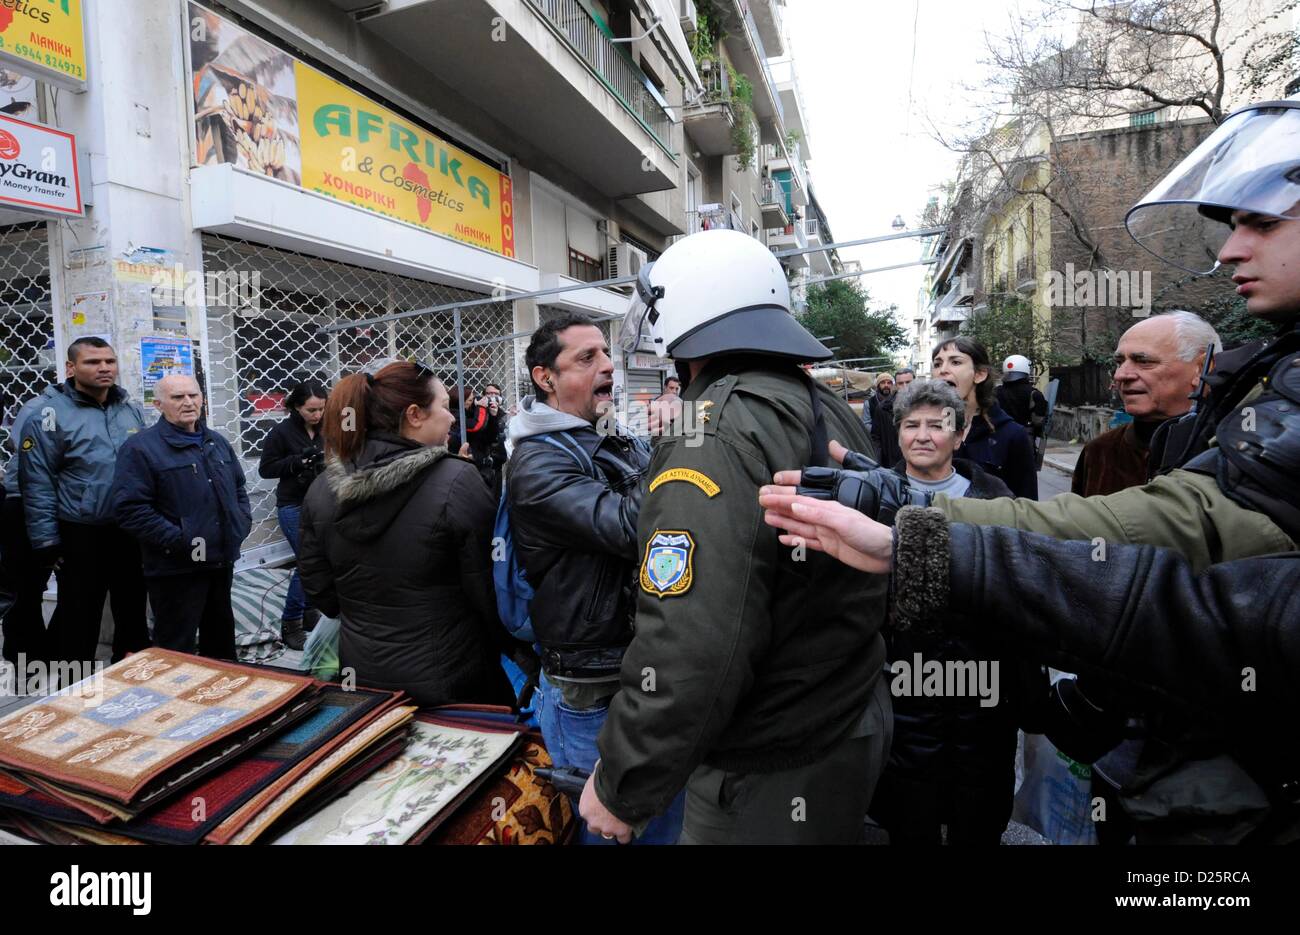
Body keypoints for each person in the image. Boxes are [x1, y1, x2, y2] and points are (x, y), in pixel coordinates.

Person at [760, 96, 1300, 843]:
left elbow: (1137, 554)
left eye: (1261, 223)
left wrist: (918, 534)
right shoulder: (1202, 420)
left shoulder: (1007, 457)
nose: (1230, 250)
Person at [578, 229, 891, 845]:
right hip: (840, 712)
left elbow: (693, 641)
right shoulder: (822, 404)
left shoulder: (713, 430)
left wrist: (623, 783)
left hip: (772, 755)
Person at [504, 313, 677, 845]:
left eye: (606, 354)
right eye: (586, 358)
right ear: (545, 378)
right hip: (591, 690)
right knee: (616, 832)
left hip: (639, 668)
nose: (607, 367)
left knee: (661, 824)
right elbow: (634, 526)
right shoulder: (536, 463)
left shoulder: (612, 438)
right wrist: (673, 445)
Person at [866, 379, 1041, 845]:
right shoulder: (873, 500)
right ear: (898, 433)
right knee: (909, 816)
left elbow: (1022, 583)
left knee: (979, 813)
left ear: (960, 436)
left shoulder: (995, 497)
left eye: (937, 425)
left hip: (984, 685)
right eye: (910, 425)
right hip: (902, 683)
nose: (922, 435)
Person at [297, 362, 511, 708]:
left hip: (363, 682)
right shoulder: (457, 481)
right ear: (414, 414)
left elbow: (322, 594)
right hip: (454, 680)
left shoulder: (322, 488)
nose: (453, 418)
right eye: (444, 406)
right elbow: (490, 592)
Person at [18, 338, 148, 667]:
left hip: (129, 527)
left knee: (132, 608)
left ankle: (130, 673)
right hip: (80, 530)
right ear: (71, 368)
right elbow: (37, 481)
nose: (104, 368)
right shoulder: (48, 415)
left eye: (109, 361)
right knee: (80, 614)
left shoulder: (129, 408)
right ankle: (73, 690)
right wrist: (46, 540)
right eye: (92, 362)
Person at [112, 375, 251, 660]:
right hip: (175, 568)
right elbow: (131, 510)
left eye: (194, 395)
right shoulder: (140, 448)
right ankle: (174, 701)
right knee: (175, 648)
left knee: (221, 641)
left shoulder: (217, 442)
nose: (188, 402)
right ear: (158, 404)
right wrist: (183, 540)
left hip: (220, 559)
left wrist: (240, 523)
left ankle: (224, 695)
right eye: (177, 397)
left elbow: (238, 488)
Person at [1072, 312, 1220, 497]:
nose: (1120, 375)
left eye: (1143, 361)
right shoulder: (1099, 452)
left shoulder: (1233, 451)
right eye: (1119, 362)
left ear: (1201, 368)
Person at [257, 379, 328, 651]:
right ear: (297, 407)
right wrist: (298, 461)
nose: (317, 415)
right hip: (293, 505)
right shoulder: (281, 432)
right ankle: (291, 623)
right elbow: (266, 469)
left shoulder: (326, 429)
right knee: (307, 561)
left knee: (319, 560)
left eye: (321, 409)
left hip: (321, 501)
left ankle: (310, 611)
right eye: (311, 410)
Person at [933, 338, 1038, 499]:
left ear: (979, 374)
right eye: (937, 364)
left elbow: (1027, 507)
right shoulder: (927, 431)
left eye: (955, 362)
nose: (942, 370)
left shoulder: (1013, 435)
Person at [0, 389, 60, 665]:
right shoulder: (40, 407)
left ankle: (41, 649)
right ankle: (22, 654)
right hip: (23, 500)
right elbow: (25, 448)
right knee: (25, 585)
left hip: (59, 504)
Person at [449, 383, 504, 492]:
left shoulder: (475, 412)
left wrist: (493, 417)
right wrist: (481, 408)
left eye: (495, 394)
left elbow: (491, 437)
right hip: (470, 466)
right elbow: (476, 426)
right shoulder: (459, 415)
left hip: (488, 465)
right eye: (470, 400)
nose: (472, 402)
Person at [994, 354, 1048, 447]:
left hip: (998, 439)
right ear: (1026, 371)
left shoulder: (995, 392)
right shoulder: (1034, 394)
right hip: (1024, 441)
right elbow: (1038, 421)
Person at [869, 368, 914, 470]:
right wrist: (877, 466)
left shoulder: (927, 406)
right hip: (893, 465)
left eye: (908, 382)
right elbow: (876, 439)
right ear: (896, 386)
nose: (905, 387)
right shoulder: (882, 409)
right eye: (900, 383)